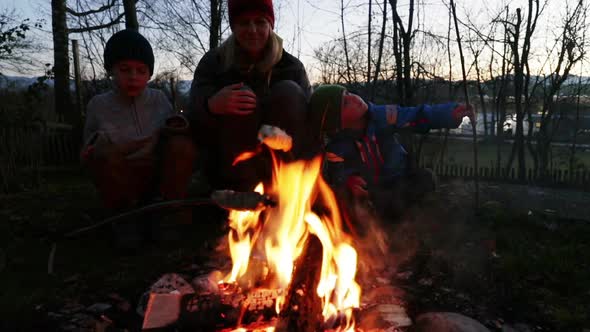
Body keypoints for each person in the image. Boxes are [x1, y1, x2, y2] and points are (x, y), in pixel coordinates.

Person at [187, 0, 312, 192]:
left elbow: (310, 121)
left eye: (260, 22)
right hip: (229, 166)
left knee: (289, 91)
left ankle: (285, 190)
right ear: (234, 27)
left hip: (283, 166)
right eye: (244, 23)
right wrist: (210, 105)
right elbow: (193, 112)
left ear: (270, 25)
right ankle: (239, 193)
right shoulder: (214, 62)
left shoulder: (291, 66)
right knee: (241, 95)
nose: (252, 30)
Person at [81, 29, 196, 226]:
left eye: (141, 71)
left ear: (149, 74)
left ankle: (168, 210)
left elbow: (171, 135)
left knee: (182, 144)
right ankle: (125, 218)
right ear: (111, 70)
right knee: (101, 152)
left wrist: (176, 127)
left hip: (157, 175)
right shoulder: (98, 105)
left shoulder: (158, 99)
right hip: (121, 177)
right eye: (125, 69)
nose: (133, 77)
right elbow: (87, 151)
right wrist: (94, 148)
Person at [309, 84, 474, 219]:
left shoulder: (382, 116)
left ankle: (393, 211)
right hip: (372, 190)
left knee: (426, 178)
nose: (354, 98)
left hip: (399, 178)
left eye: (349, 93)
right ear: (337, 123)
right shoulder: (337, 147)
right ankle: (381, 218)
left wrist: (450, 114)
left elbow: (416, 116)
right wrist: (349, 182)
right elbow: (338, 175)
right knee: (353, 204)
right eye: (345, 103)